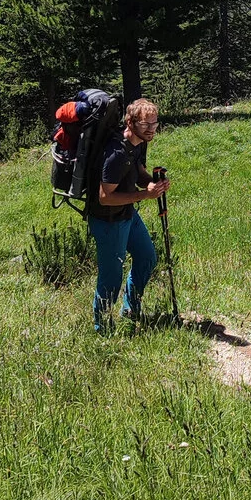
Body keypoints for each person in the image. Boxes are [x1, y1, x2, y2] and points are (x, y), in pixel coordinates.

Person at [86, 98, 168, 332]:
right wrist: (145, 195)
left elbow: (138, 171)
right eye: (146, 125)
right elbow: (105, 196)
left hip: (126, 214)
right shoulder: (116, 154)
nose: (152, 130)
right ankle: (101, 329)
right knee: (111, 278)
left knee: (147, 257)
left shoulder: (138, 144)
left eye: (155, 124)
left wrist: (153, 184)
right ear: (131, 123)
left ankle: (130, 309)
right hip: (107, 220)